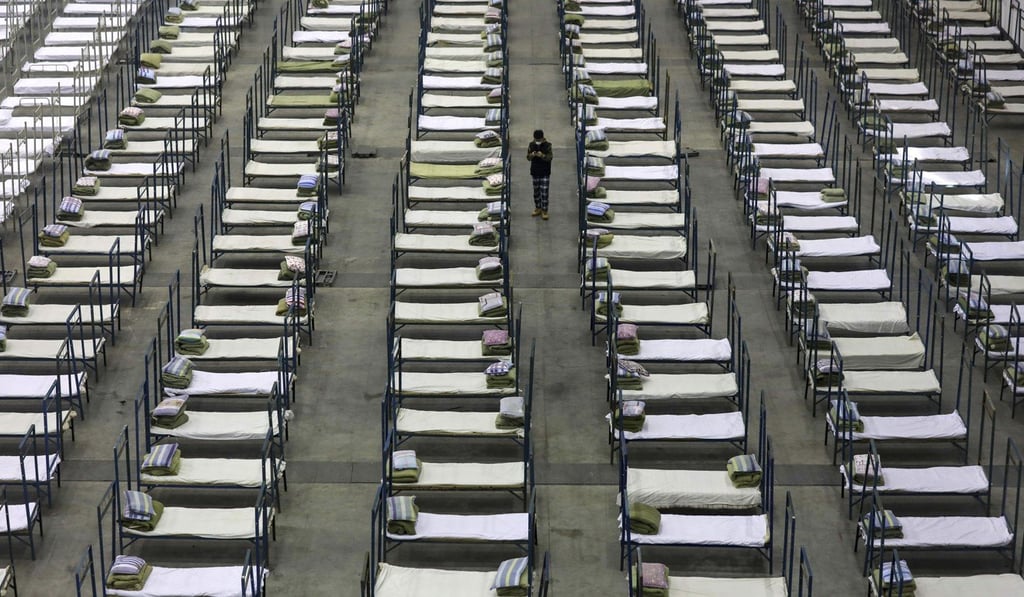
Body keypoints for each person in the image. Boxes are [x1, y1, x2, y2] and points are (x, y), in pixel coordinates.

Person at [526, 129, 553, 219]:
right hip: (535, 171)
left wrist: (542, 156)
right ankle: (538, 208)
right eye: (536, 140)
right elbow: (528, 157)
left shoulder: (548, 145)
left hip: (545, 171)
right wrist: (532, 155)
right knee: (536, 191)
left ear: (542, 138)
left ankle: (544, 210)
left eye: (539, 140)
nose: (537, 142)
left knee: (544, 192)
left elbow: (550, 158)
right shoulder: (531, 145)